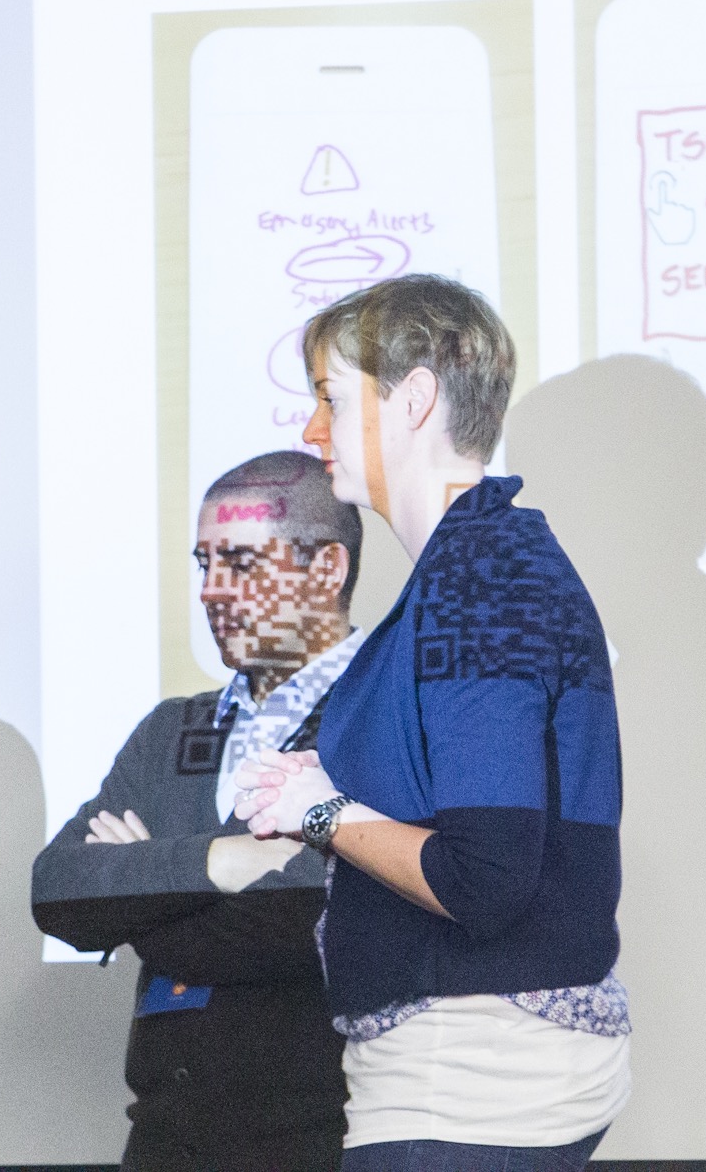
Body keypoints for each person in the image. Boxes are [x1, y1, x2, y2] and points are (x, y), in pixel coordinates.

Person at [235, 276, 629, 1171]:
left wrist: (321, 811)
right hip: (465, 1081)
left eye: (330, 399)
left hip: (468, 1087)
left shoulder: (481, 575)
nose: (309, 429)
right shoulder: (473, 565)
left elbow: (485, 876)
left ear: (413, 400)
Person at [31, 450, 366, 1172]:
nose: (214, 590)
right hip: (162, 1139)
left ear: (328, 568)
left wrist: (142, 898)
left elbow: (318, 917)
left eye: (242, 563)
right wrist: (219, 858)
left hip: (321, 1141)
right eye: (204, 564)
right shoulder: (173, 729)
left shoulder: (381, 717)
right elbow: (57, 887)